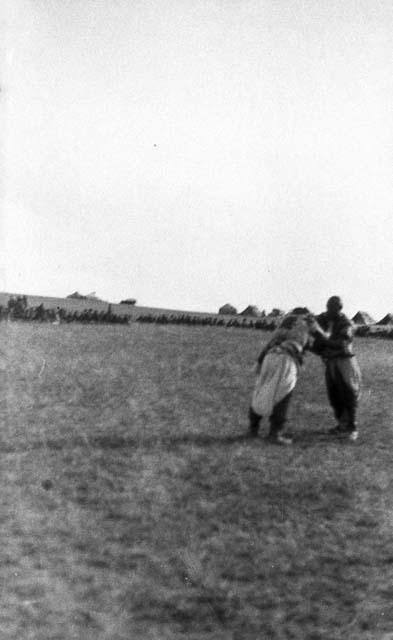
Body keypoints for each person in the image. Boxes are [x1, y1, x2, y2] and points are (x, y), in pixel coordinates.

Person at [248, 308, 320, 445]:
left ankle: (253, 428)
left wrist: (259, 361)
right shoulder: (307, 324)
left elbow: (270, 342)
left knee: (261, 391)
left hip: (269, 357)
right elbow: (313, 344)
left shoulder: (286, 321)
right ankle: (275, 433)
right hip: (286, 359)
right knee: (282, 396)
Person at [312, 296, 361, 441]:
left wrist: (321, 337)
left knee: (348, 394)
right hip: (331, 363)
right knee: (334, 396)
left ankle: (352, 428)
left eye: (331, 308)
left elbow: (340, 344)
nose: (328, 311)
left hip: (345, 363)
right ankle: (341, 425)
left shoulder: (347, 324)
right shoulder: (326, 319)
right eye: (327, 307)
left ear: (339, 309)